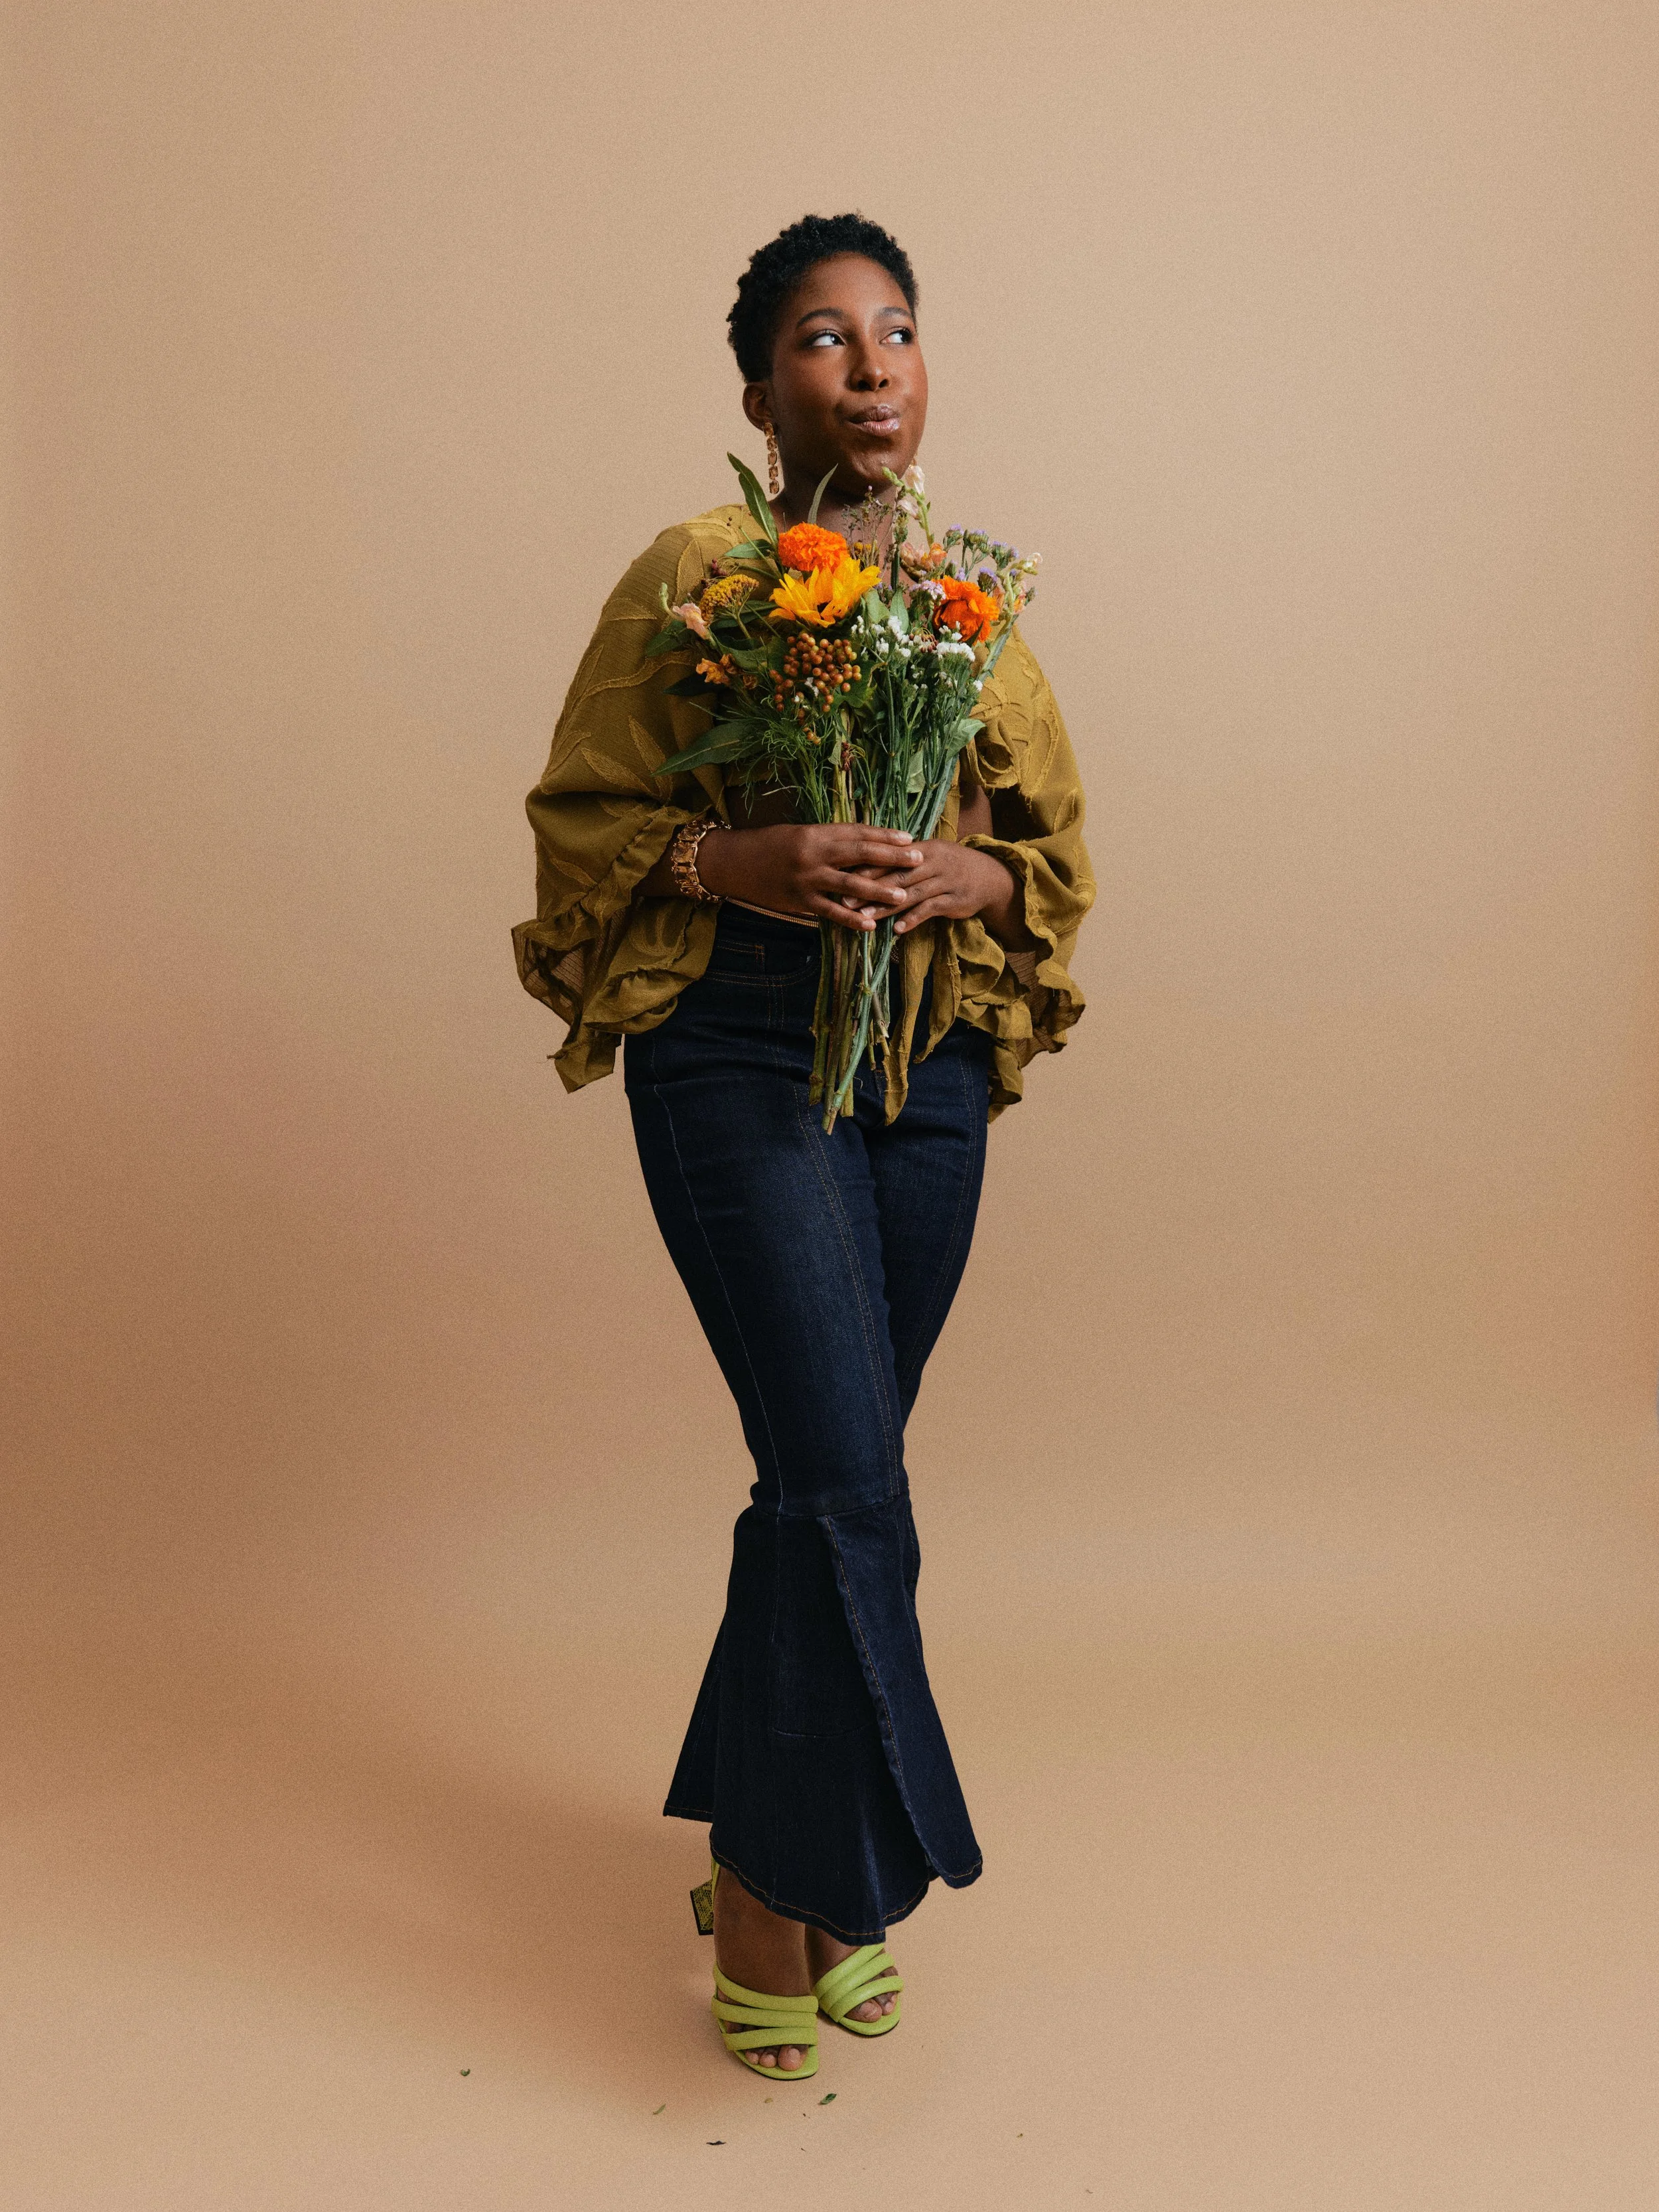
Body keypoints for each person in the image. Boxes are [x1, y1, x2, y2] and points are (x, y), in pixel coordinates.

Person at [513, 212, 1094, 2079]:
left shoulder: (968, 605)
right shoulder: (700, 575)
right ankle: (797, 1890)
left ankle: (767, 1831)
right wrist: (739, 859)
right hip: (742, 1054)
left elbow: (1051, 860)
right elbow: (588, 820)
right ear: (762, 387)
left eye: (898, 332)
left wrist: (960, 867)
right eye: (827, 340)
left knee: (815, 1477)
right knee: (847, 1480)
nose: (871, 366)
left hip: (917, 1075)